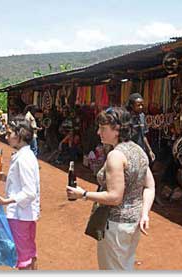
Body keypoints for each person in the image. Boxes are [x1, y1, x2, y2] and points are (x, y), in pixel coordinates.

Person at [66, 107, 155, 270]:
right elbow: (150, 186)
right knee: (124, 267)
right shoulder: (138, 150)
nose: (99, 132)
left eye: (103, 128)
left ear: (117, 129)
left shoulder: (116, 156)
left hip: (116, 225)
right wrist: (144, 214)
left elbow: (115, 197)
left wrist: (83, 194)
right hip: (132, 224)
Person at [0, 116, 40, 270]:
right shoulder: (25, 155)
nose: (6, 136)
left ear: (19, 135)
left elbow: (29, 191)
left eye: (10, 133)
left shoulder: (23, 158)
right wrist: (5, 177)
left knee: (22, 257)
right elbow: (22, 184)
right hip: (26, 214)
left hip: (20, 215)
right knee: (29, 252)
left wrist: (5, 201)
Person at [126, 93, 155, 163]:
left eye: (142, 105)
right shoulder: (126, 117)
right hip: (129, 153)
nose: (141, 107)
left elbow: (143, 135)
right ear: (131, 106)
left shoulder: (142, 116)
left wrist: (150, 150)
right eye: (138, 105)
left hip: (141, 151)